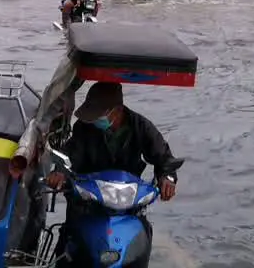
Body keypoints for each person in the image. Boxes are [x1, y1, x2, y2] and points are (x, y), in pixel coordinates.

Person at [45, 82, 180, 266]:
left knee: (143, 232)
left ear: (116, 111)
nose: (94, 120)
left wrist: (168, 178)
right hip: (89, 201)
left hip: (127, 204)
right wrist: (59, 172)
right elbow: (71, 153)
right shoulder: (84, 127)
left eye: (98, 114)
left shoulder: (141, 126)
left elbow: (163, 157)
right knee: (68, 243)